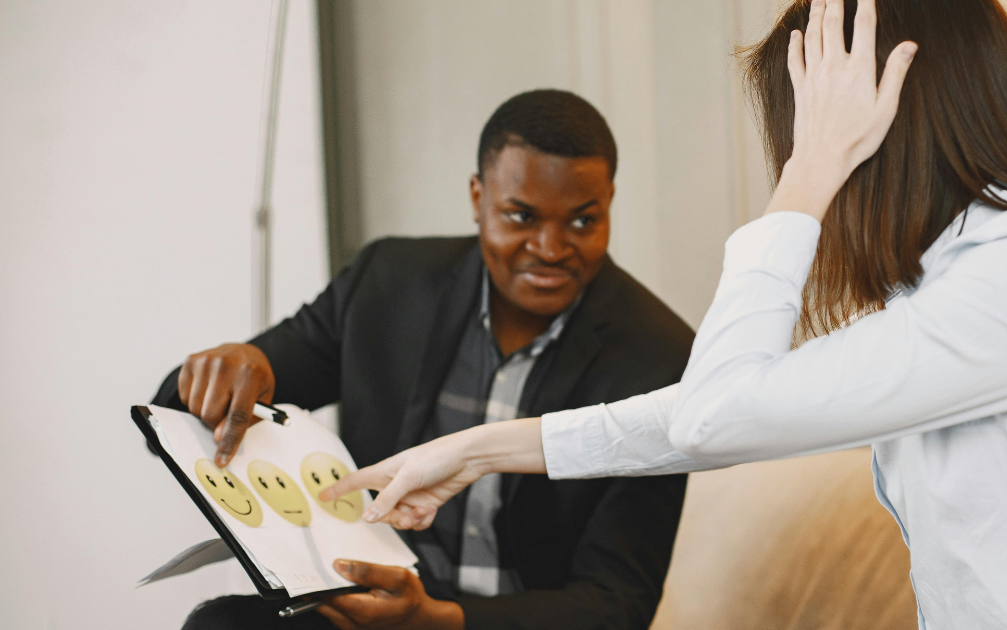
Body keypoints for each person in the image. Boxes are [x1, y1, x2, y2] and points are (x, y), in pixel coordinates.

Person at [324, 1, 1007, 628]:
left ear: (886, 123)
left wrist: (811, 170)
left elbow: (716, 412)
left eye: (806, 124)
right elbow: (708, 416)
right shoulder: (961, 283)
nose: (789, 150)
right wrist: (473, 452)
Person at [153, 89, 695, 630]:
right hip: (366, 607)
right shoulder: (389, 282)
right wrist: (222, 372)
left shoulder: (657, 356)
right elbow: (183, 414)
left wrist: (440, 621)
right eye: (521, 216)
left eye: (582, 222)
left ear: (609, 202)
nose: (550, 248)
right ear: (477, 197)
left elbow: (618, 603)